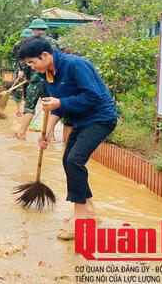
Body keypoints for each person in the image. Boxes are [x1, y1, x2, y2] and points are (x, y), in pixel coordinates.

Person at [19, 36, 118, 241]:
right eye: (28, 64)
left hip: (100, 118)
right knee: (67, 160)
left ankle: (79, 220)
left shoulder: (76, 65)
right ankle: (89, 209)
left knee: (75, 161)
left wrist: (59, 103)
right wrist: (47, 131)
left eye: (32, 62)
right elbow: (56, 106)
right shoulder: (49, 74)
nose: (31, 67)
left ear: (45, 55)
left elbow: (92, 97)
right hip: (80, 120)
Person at [10, 28, 34, 121]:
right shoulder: (18, 45)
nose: (26, 39)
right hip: (20, 69)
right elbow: (14, 59)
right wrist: (19, 70)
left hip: (32, 68)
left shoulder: (34, 45)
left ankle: (27, 110)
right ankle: (18, 110)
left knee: (30, 90)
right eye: (25, 37)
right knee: (19, 90)